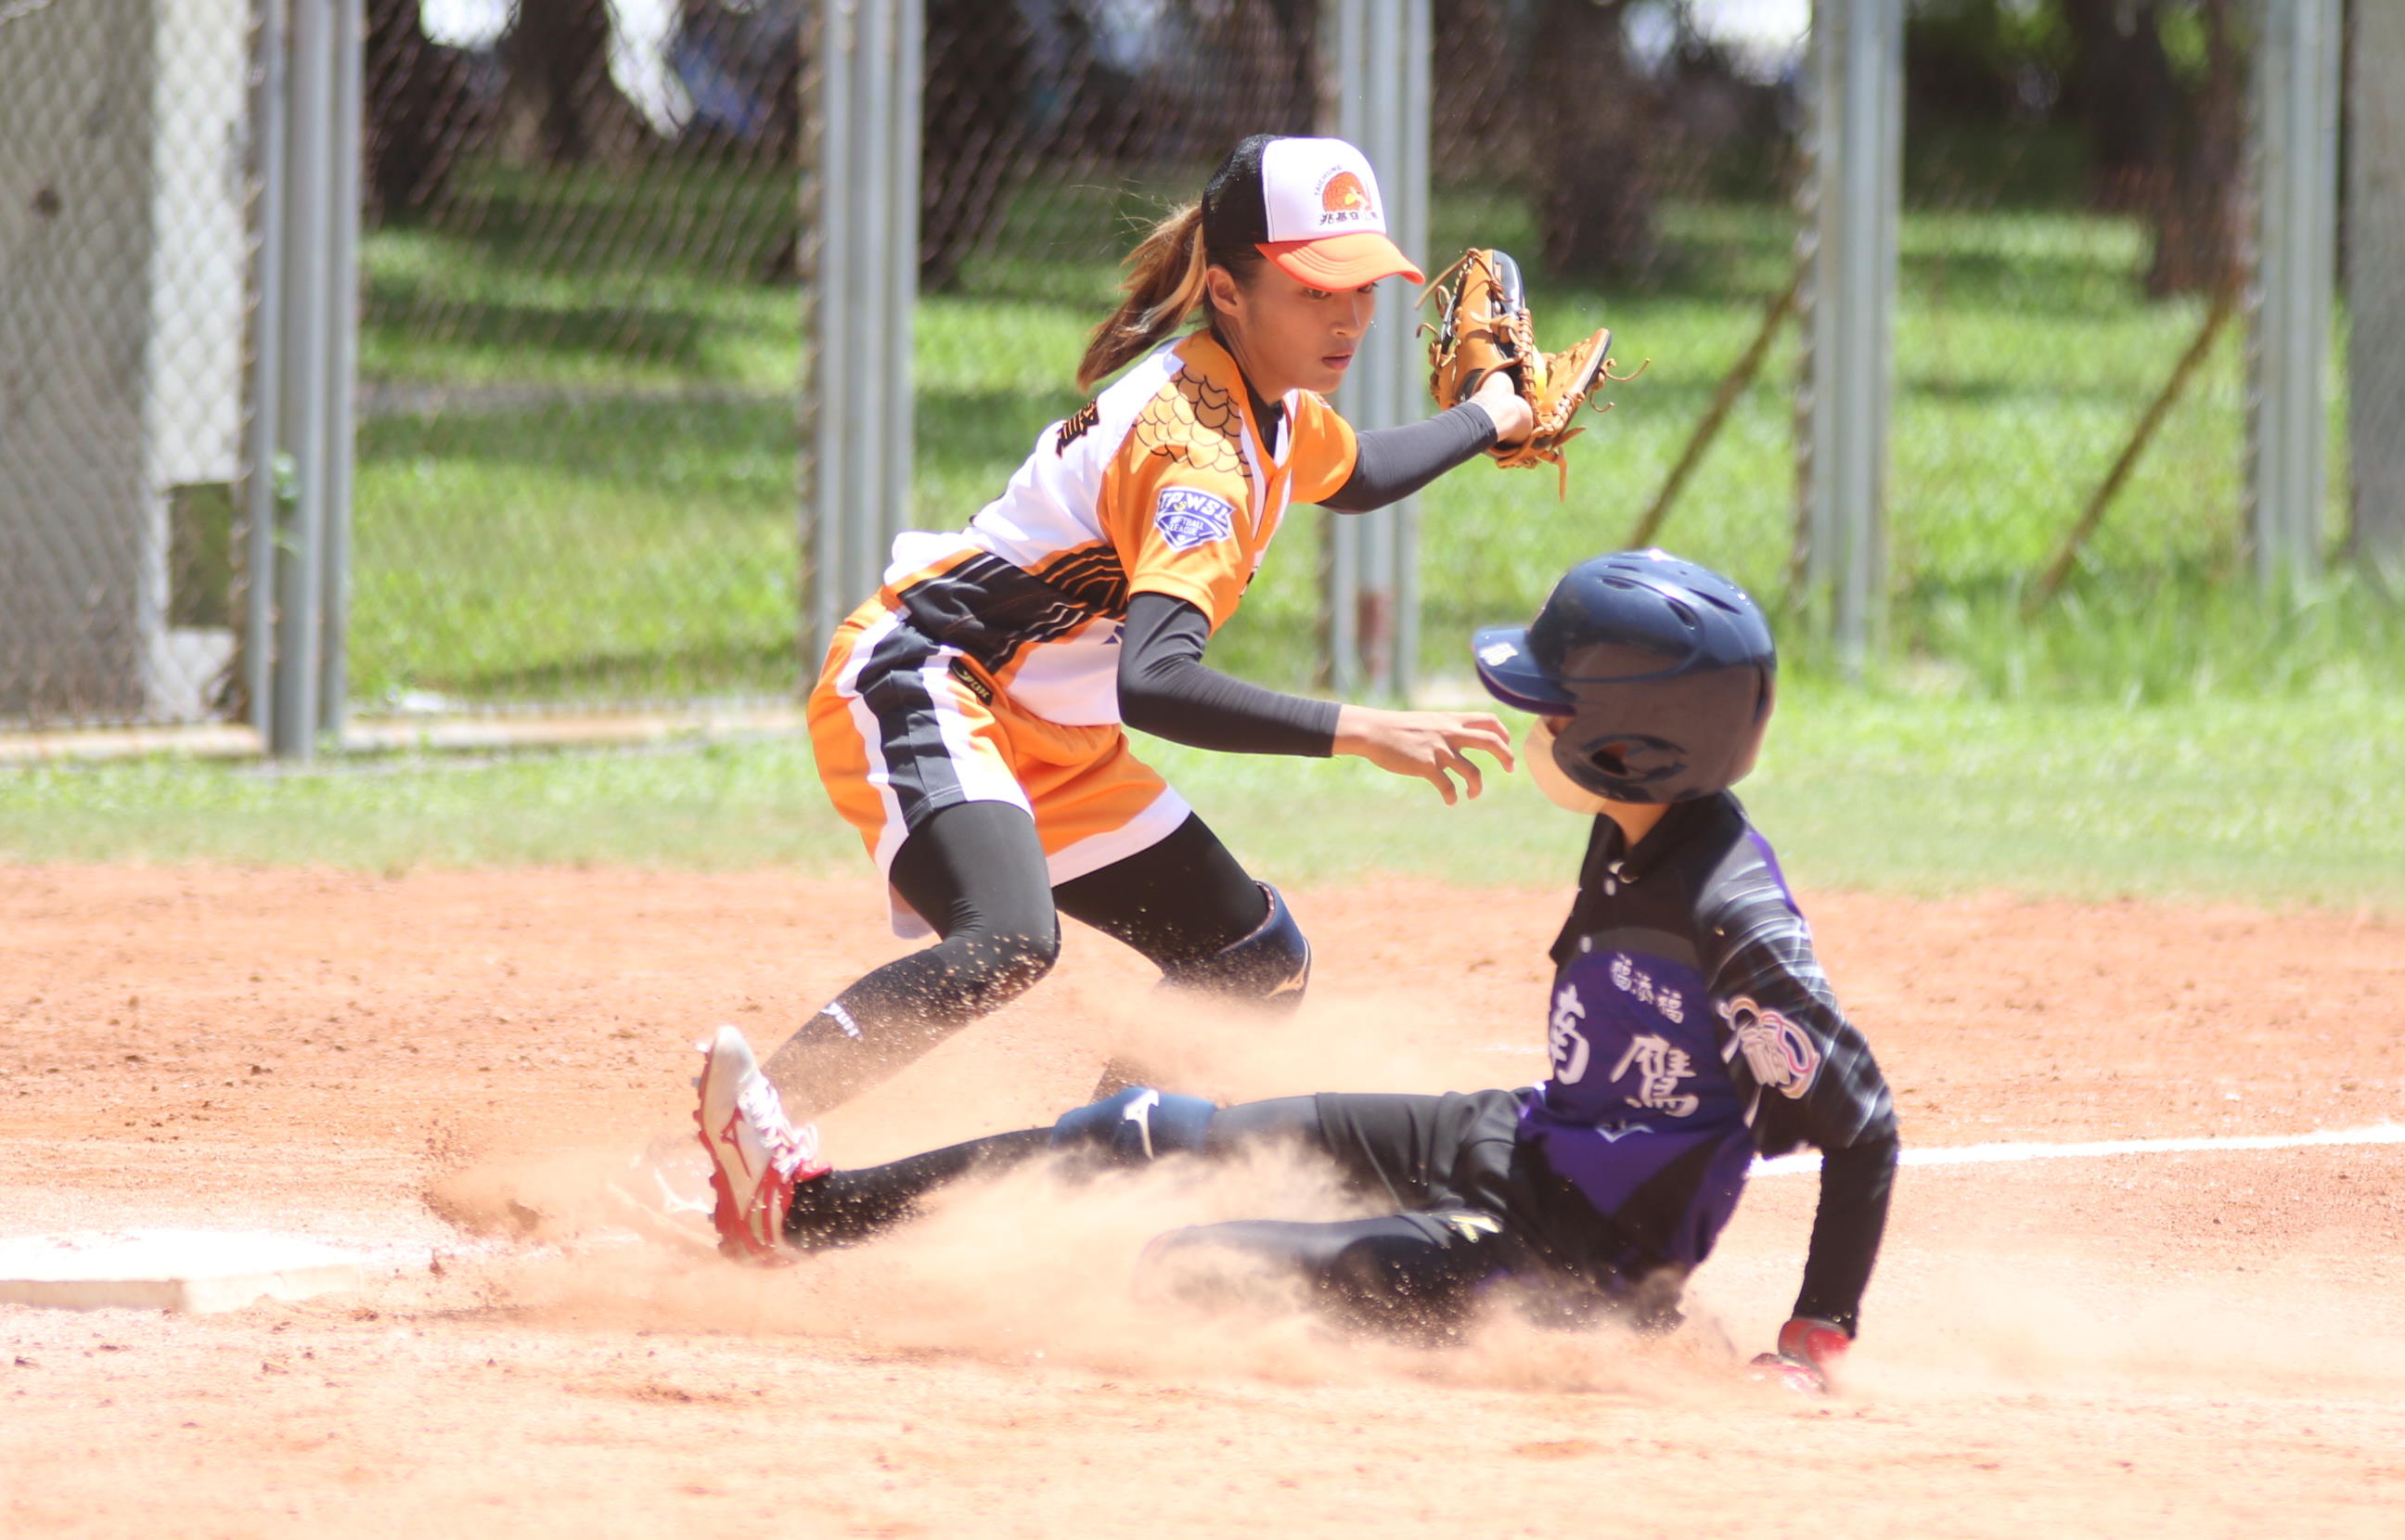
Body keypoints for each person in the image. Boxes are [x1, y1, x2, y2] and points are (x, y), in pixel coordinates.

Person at [699, 552, 1902, 1390]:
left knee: (1194, 1270)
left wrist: (1813, 1343)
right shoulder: (1636, 826)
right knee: (1137, 1134)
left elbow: (1863, 1128)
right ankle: (804, 1213)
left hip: (1561, 1263)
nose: (1529, 724)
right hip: (1518, 1145)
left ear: (1626, 746)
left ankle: (1639, 1336)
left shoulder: (1735, 922)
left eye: (1549, 709)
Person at [695, 134, 1542, 1260]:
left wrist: (1494, 413)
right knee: (1007, 940)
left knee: (1249, 957)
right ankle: (726, 1155)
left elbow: (1360, 471)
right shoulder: (1195, 451)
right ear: (1230, 290)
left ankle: (1102, 1179)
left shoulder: (1270, 402)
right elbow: (1158, 681)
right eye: (1314, 289)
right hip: (931, 676)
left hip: (1050, 727)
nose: (1348, 320)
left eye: (1363, 289)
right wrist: (1359, 730)